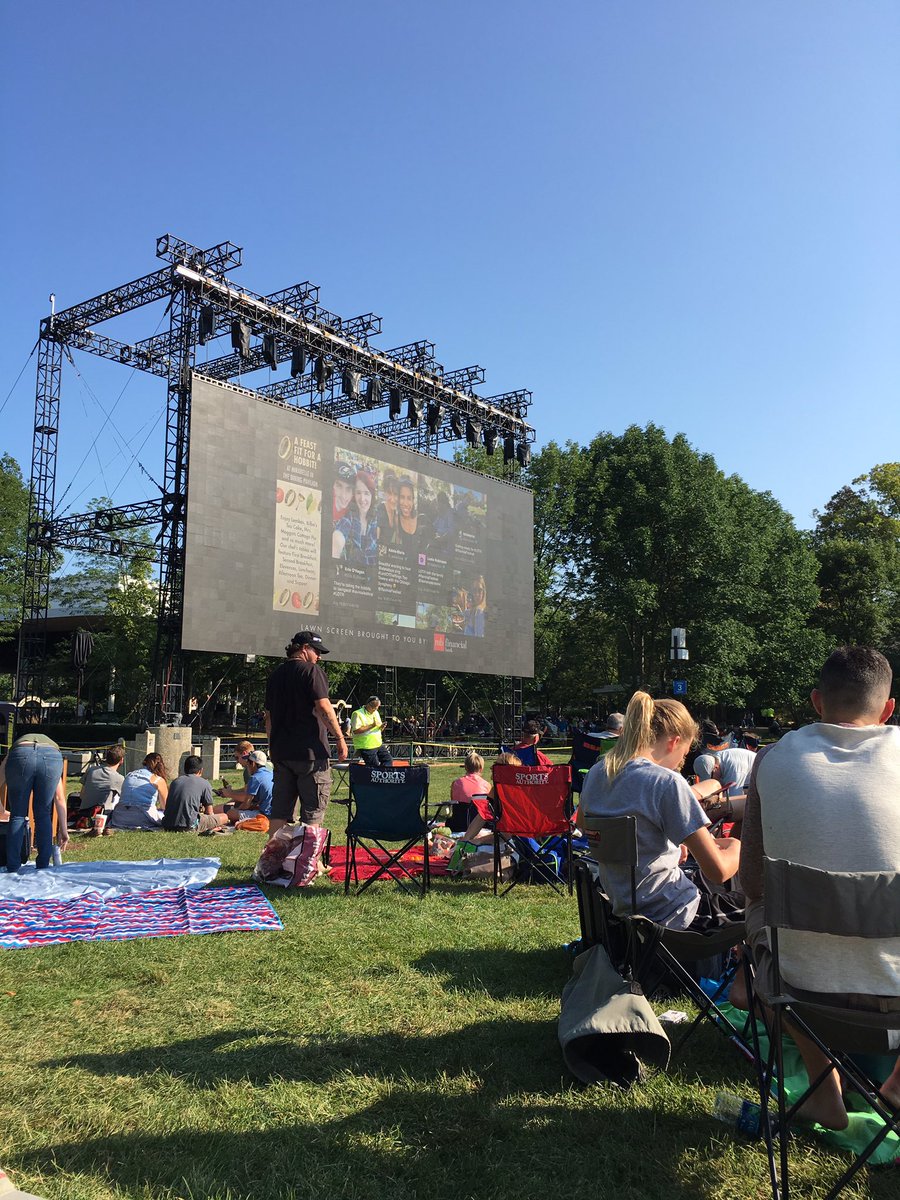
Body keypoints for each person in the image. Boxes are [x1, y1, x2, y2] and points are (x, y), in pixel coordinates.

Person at [739, 645, 900, 1127]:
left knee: (762, 917)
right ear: (888, 709)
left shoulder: (770, 759)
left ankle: (823, 1086)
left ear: (816, 701)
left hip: (803, 996)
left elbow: (751, 881)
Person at [577, 692, 741, 930]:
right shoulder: (666, 782)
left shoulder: (598, 772)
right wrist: (737, 845)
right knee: (763, 901)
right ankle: (741, 968)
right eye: (683, 756)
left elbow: (585, 824)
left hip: (625, 906)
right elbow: (719, 871)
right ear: (674, 742)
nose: (679, 764)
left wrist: (670, 847)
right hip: (674, 915)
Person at [264, 630, 348, 839]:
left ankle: (271, 861)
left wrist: (272, 746)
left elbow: (269, 717)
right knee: (313, 811)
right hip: (311, 754)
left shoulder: (275, 675)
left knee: (280, 811)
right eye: (317, 651)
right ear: (304, 649)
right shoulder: (312, 671)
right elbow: (324, 707)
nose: (319, 656)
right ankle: (310, 862)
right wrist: (339, 737)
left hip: (282, 753)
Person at [0, 732, 69, 872]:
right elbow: (60, 798)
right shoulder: (52, 749)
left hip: (21, 754)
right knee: (43, 813)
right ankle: (43, 864)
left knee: (17, 815)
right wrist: (64, 829)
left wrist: (1, 809)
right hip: (51, 757)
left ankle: (13, 866)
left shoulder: (12, 752)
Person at [213, 750, 274, 829]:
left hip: (265, 815)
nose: (247, 765)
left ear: (253, 763)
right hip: (275, 813)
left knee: (231, 813)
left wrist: (237, 810)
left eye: (248, 762)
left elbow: (246, 804)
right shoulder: (270, 773)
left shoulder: (255, 778)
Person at [162, 756, 222, 833]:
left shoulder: (175, 782)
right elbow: (209, 812)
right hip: (189, 826)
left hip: (167, 824)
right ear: (201, 771)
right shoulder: (204, 783)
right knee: (224, 817)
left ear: (185, 769)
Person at [112, 752, 169, 830]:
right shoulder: (158, 780)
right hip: (142, 818)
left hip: (119, 817)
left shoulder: (129, 774)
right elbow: (165, 806)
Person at [333, 470, 378, 565]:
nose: (362, 499)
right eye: (358, 493)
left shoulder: (376, 520)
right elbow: (339, 535)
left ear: (372, 496)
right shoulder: (349, 517)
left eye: (366, 493)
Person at [449, 750, 491, 833]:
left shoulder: (456, 783)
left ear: (465, 767)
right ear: (481, 768)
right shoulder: (487, 785)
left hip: (459, 824)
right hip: (480, 826)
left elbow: (453, 802)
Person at [76, 744, 125, 816]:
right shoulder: (119, 778)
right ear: (121, 760)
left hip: (83, 813)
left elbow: (82, 795)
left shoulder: (91, 770)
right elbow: (125, 801)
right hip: (102, 816)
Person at [350, 696, 393, 767]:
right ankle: (373, 776)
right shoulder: (357, 714)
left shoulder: (376, 713)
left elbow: (378, 729)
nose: (375, 709)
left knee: (388, 760)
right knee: (374, 766)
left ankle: (383, 776)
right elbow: (356, 731)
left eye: (377, 707)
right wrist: (372, 725)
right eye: (374, 707)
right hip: (366, 746)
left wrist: (382, 727)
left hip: (378, 744)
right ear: (368, 705)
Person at [375, 471, 401, 545]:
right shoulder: (380, 511)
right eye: (389, 493)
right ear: (384, 493)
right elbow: (376, 540)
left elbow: (398, 540)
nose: (393, 499)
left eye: (396, 494)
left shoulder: (396, 513)